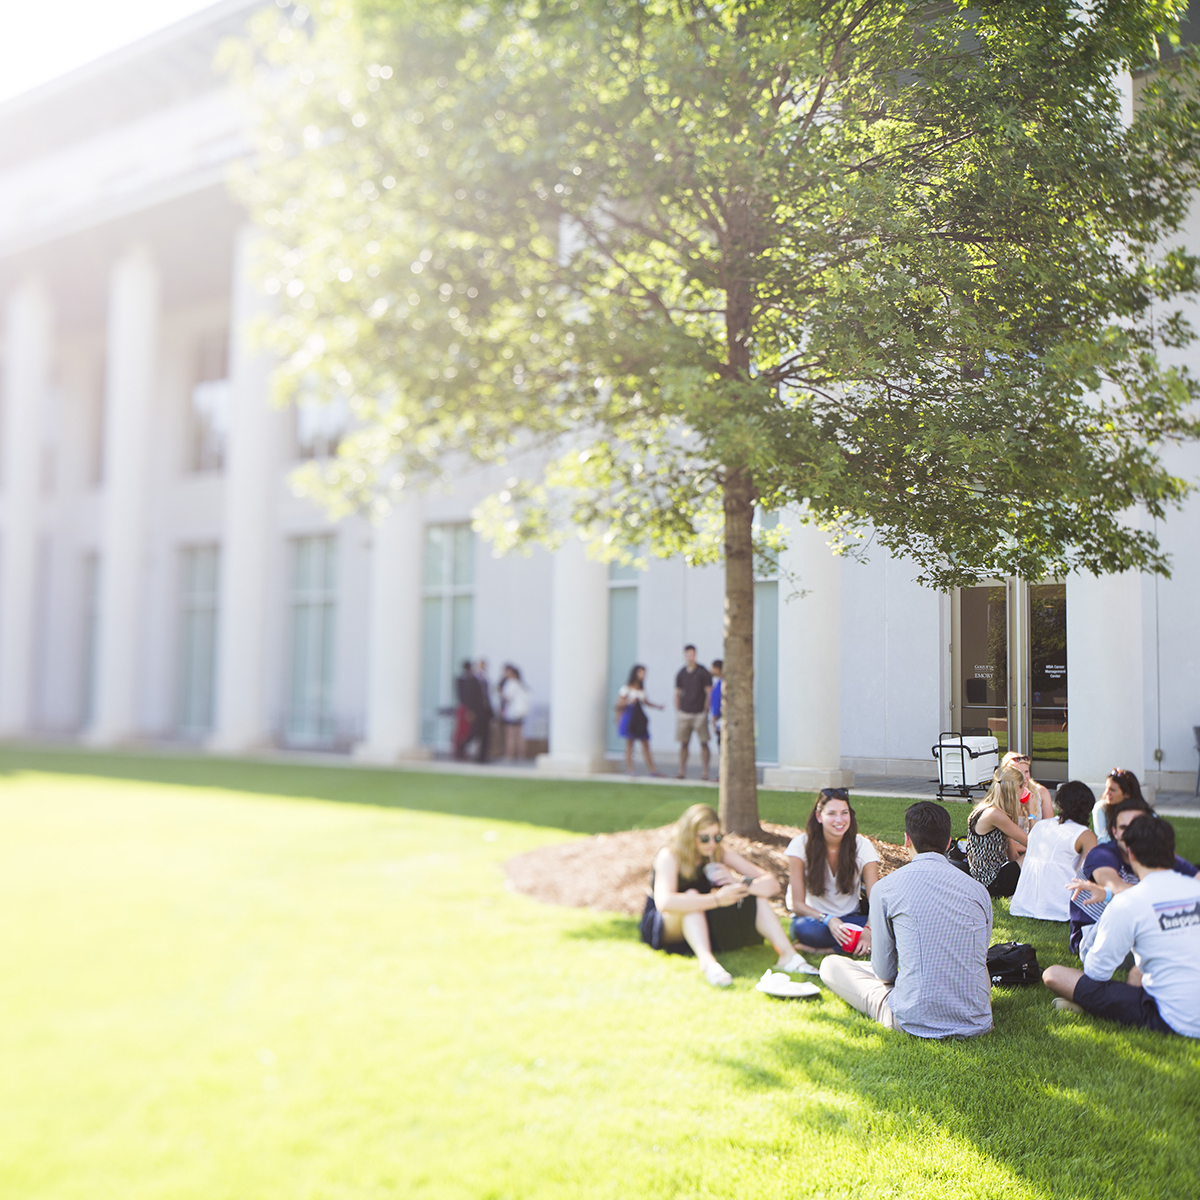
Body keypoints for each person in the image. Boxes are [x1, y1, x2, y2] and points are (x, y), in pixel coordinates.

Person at [819, 801, 993, 1038]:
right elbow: (979, 957)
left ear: (907, 840)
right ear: (949, 842)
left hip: (913, 1019)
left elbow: (884, 973)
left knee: (831, 965)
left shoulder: (886, 888)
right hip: (976, 1019)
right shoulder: (978, 890)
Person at [1043, 815, 1200, 1037]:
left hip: (1174, 1018)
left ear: (1131, 854)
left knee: (1053, 974)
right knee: (1137, 970)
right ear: (1172, 852)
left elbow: (1097, 972)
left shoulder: (1129, 902)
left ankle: (1091, 1008)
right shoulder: (1194, 888)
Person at [639, 803, 815, 986]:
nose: (712, 843)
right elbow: (664, 902)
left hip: (700, 920)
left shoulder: (717, 852)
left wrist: (739, 885)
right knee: (691, 896)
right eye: (705, 838)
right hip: (665, 922)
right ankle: (708, 964)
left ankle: (788, 956)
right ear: (689, 836)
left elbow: (772, 884)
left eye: (717, 837)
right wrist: (717, 899)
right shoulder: (670, 855)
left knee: (757, 898)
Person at [1067, 795, 1196, 963]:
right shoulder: (1101, 854)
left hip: (1144, 926)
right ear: (1114, 832)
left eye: (1137, 826)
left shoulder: (1158, 855)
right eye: (1124, 828)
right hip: (1096, 935)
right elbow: (1116, 887)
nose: (1131, 835)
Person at [786, 788, 880, 956]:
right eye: (832, 813)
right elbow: (797, 904)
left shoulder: (863, 846)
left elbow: (877, 900)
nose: (839, 820)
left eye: (844, 813)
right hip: (815, 920)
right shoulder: (800, 845)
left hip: (851, 920)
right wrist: (827, 919)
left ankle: (826, 950)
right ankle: (851, 947)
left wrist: (868, 930)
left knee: (889, 927)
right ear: (818, 816)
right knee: (805, 930)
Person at [1010, 781, 1097, 921]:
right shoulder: (1084, 834)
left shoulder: (1041, 826)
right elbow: (1094, 872)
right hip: (1060, 906)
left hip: (1024, 904)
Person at [965, 767, 1028, 897]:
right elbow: (1033, 843)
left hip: (988, 879)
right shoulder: (994, 814)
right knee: (1035, 854)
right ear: (1017, 789)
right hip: (990, 883)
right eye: (1024, 787)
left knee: (1030, 856)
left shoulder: (991, 810)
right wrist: (1032, 813)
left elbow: (1013, 857)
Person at [615, 664, 664, 776]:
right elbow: (619, 704)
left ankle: (652, 770)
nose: (643, 675)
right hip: (630, 717)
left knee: (646, 743)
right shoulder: (626, 689)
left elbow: (646, 701)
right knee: (629, 744)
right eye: (641, 672)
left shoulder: (642, 689)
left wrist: (657, 706)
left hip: (639, 718)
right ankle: (630, 769)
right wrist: (629, 702)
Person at [675, 645, 713, 780]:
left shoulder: (702, 672)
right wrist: (678, 709)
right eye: (687, 654)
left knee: (704, 742)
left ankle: (705, 772)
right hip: (685, 713)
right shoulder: (681, 673)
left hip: (699, 713)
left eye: (692, 654)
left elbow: (709, 691)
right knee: (683, 743)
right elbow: (677, 692)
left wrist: (706, 708)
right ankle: (681, 771)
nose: (690, 657)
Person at [1091, 768, 1148, 843]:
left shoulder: (1143, 812)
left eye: (1112, 790)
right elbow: (1103, 840)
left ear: (1127, 794)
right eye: (1106, 788)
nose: (1107, 793)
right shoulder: (1101, 808)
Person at [1001, 751, 1053, 827]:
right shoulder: (1001, 794)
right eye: (1019, 773)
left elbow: (1049, 826)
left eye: (1026, 772)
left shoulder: (1041, 792)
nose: (1024, 777)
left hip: (1038, 837)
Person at [499, 664, 529, 761]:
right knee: (519, 735)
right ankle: (521, 755)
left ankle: (509, 755)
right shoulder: (521, 684)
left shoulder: (511, 684)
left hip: (512, 713)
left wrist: (500, 693)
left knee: (511, 735)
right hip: (521, 713)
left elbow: (508, 697)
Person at [453, 659, 480, 760]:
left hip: (465, 707)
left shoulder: (470, 679)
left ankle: (462, 749)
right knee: (463, 731)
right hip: (465, 708)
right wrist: (469, 710)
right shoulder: (464, 680)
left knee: (467, 731)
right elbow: (463, 696)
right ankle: (459, 749)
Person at [470, 658, 494, 763]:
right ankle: (475, 754)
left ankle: (483, 756)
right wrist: (471, 711)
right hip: (477, 711)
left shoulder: (485, 680)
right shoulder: (472, 680)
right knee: (476, 733)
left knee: (486, 735)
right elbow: (470, 697)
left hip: (485, 711)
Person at [709, 659, 723, 749]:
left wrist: (715, 717)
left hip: (720, 718)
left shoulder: (721, 684)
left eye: (712, 668)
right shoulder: (719, 683)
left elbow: (717, 701)